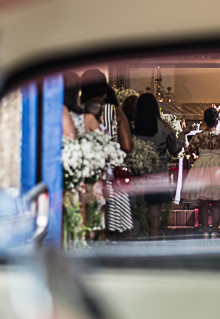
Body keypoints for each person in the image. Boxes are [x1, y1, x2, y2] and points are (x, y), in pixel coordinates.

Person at [78, 69, 134, 237]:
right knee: (115, 228)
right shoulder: (114, 111)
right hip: (111, 176)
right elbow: (127, 146)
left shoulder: (77, 111)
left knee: (88, 225)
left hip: (85, 175)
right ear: (104, 89)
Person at [181, 107, 220, 238]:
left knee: (203, 201)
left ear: (205, 121)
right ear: (217, 121)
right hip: (218, 166)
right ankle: (214, 232)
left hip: (201, 166)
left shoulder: (198, 136)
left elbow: (188, 150)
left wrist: (184, 134)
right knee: (217, 202)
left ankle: (205, 232)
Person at [134, 92, 183, 237]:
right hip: (158, 177)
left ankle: (141, 245)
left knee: (140, 214)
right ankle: (154, 248)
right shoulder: (163, 126)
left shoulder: (134, 126)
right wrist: (181, 136)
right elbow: (174, 150)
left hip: (140, 176)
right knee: (155, 215)